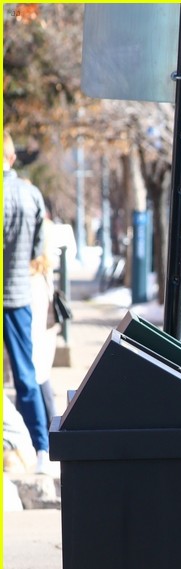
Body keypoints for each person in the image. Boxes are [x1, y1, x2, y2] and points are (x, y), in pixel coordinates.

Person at [3, 130, 53, 476]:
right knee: (26, 374)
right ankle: (42, 451)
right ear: (12, 157)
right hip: (19, 295)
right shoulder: (31, 194)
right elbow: (38, 250)